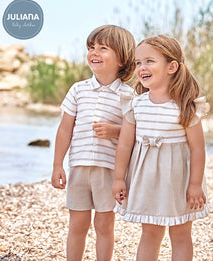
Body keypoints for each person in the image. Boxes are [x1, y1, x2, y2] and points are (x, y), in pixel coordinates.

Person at [112, 35, 209, 261]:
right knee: (150, 232)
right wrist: (119, 178)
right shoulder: (135, 104)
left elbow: (198, 149)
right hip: (147, 179)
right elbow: (125, 145)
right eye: (138, 63)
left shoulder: (186, 106)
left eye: (149, 61)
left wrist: (195, 184)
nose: (142, 67)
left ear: (172, 67)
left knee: (181, 233)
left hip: (179, 180)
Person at [51, 25, 136, 261]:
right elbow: (64, 129)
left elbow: (134, 135)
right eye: (91, 47)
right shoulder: (78, 90)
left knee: (104, 224)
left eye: (103, 48)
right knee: (77, 224)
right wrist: (58, 164)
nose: (94, 52)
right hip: (78, 166)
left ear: (122, 58)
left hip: (108, 169)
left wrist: (114, 130)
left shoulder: (128, 96)